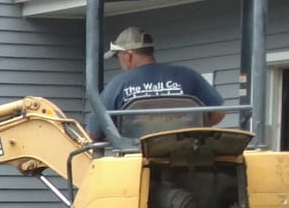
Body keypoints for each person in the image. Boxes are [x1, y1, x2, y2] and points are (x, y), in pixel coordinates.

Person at [95, 27, 225, 140]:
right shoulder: (187, 74)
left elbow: (94, 132)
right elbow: (220, 111)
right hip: (183, 152)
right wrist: (196, 129)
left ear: (128, 57)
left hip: (136, 155)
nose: (120, 63)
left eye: (118, 57)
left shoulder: (118, 84)